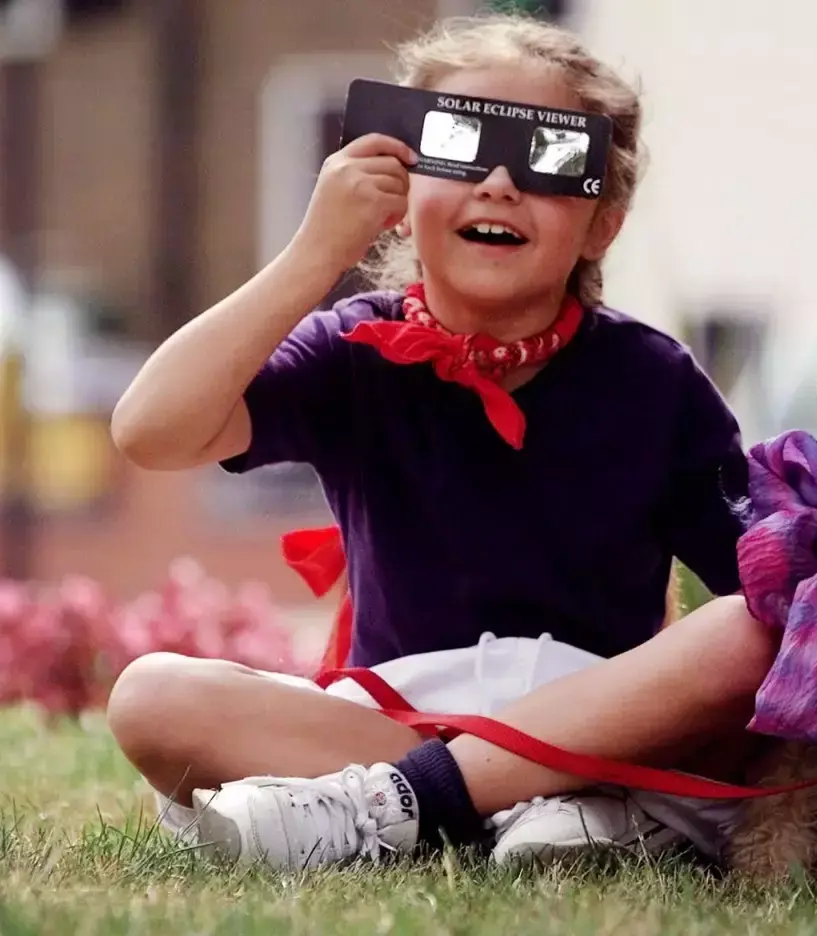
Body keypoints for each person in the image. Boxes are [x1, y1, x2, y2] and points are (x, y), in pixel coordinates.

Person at [105, 13, 777, 871]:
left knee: (746, 631)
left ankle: (400, 812)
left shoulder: (657, 378)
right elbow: (149, 430)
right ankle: (516, 814)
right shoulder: (354, 350)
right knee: (154, 695)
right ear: (401, 188)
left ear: (600, 224)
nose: (499, 181)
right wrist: (317, 250)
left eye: (548, 160)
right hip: (395, 722)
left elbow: (759, 591)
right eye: (462, 144)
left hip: (599, 731)